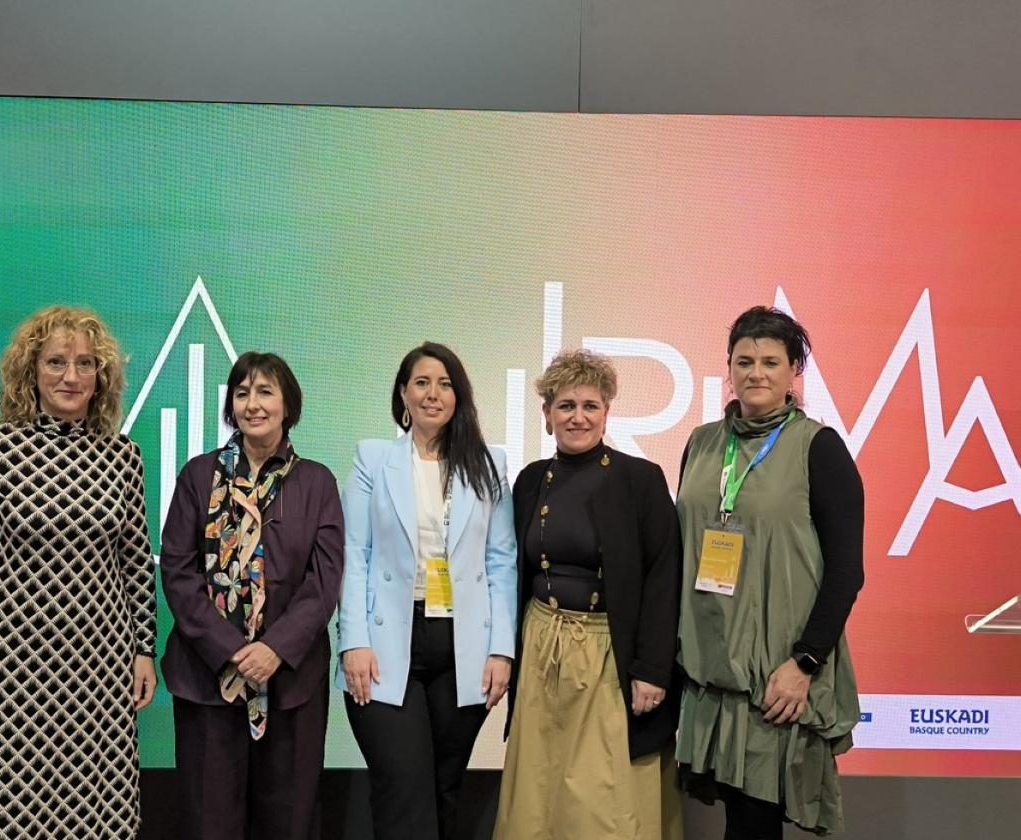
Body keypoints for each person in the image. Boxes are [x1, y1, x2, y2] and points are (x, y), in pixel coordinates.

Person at [0, 306, 158, 838]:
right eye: (55, 362)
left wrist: (146, 648)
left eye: (85, 364)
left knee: (93, 813)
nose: (71, 376)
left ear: (102, 377)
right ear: (30, 371)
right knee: (3, 810)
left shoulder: (125, 458)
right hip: (9, 668)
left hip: (99, 668)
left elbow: (137, 561)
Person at [676, 306, 864, 838]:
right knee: (739, 818)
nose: (755, 372)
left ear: (792, 372)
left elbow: (847, 570)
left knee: (756, 822)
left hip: (780, 671)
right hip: (711, 668)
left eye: (770, 361)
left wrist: (804, 661)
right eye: (744, 360)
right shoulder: (703, 442)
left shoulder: (819, 448)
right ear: (729, 368)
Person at [493, 348, 683, 840]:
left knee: (601, 798)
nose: (578, 417)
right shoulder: (531, 480)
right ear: (547, 413)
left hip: (608, 656)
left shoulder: (640, 480)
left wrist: (652, 669)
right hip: (541, 647)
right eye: (566, 405)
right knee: (538, 787)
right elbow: (513, 572)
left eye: (590, 406)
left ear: (607, 411)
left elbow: (664, 578)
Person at [159, 351, 343, 840]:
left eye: (265, 392)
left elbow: (324, 580)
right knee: (209, 821)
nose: (252, 404)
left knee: (288, 820)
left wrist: (274, 650)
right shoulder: (199, 476)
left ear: (288, 406)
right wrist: (232, 651)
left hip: (291, 685)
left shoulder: (316, 482)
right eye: (242, 393)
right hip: (207, 678)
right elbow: (178, 571)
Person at [338, 341, 516, 840]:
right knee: (402, 786)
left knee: (443, 788)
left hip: (464, 647)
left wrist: (502, 649)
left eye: (444, 383)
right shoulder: (373, 459)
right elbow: (356, 554)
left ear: (459, 395)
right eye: (421, 382)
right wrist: (353, 640)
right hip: (387, 642)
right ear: (403, 393)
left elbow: (501, 561)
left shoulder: (489, 464)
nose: (433, 394)